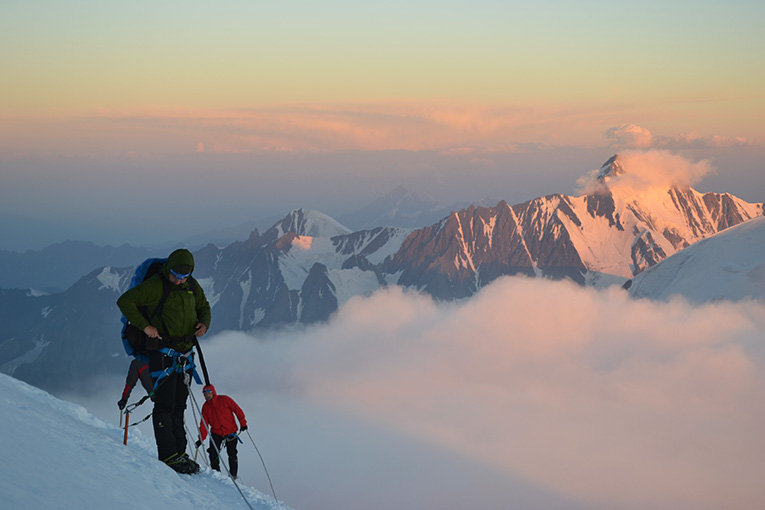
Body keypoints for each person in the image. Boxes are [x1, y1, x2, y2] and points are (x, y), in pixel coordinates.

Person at [117, 248, 211, 474]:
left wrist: (204, 324)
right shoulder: (156, 285)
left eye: (184, 276)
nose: (179, 280)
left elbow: (204, 307)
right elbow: (126, 302)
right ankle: (169, 455)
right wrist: (146, 327)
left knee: (180, 404)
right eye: (176, 275)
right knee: (165, 405)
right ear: (168, 269)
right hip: (163, 354)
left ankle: (180, 453)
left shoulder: (191, 285)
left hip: (186, 354)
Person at [195, 384, 247, 479]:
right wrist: (201, 439)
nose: (207, 395)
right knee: (213, 452)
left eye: (209, 392)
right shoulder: (205, 407)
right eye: (205, 393)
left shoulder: (224, 399)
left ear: (213, 392)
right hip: (216, 432)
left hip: (230, 431)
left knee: (232, 453)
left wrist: (243, 423)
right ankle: (216, 474)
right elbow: (204, 424)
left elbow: (237, 410)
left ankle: (233, 475)